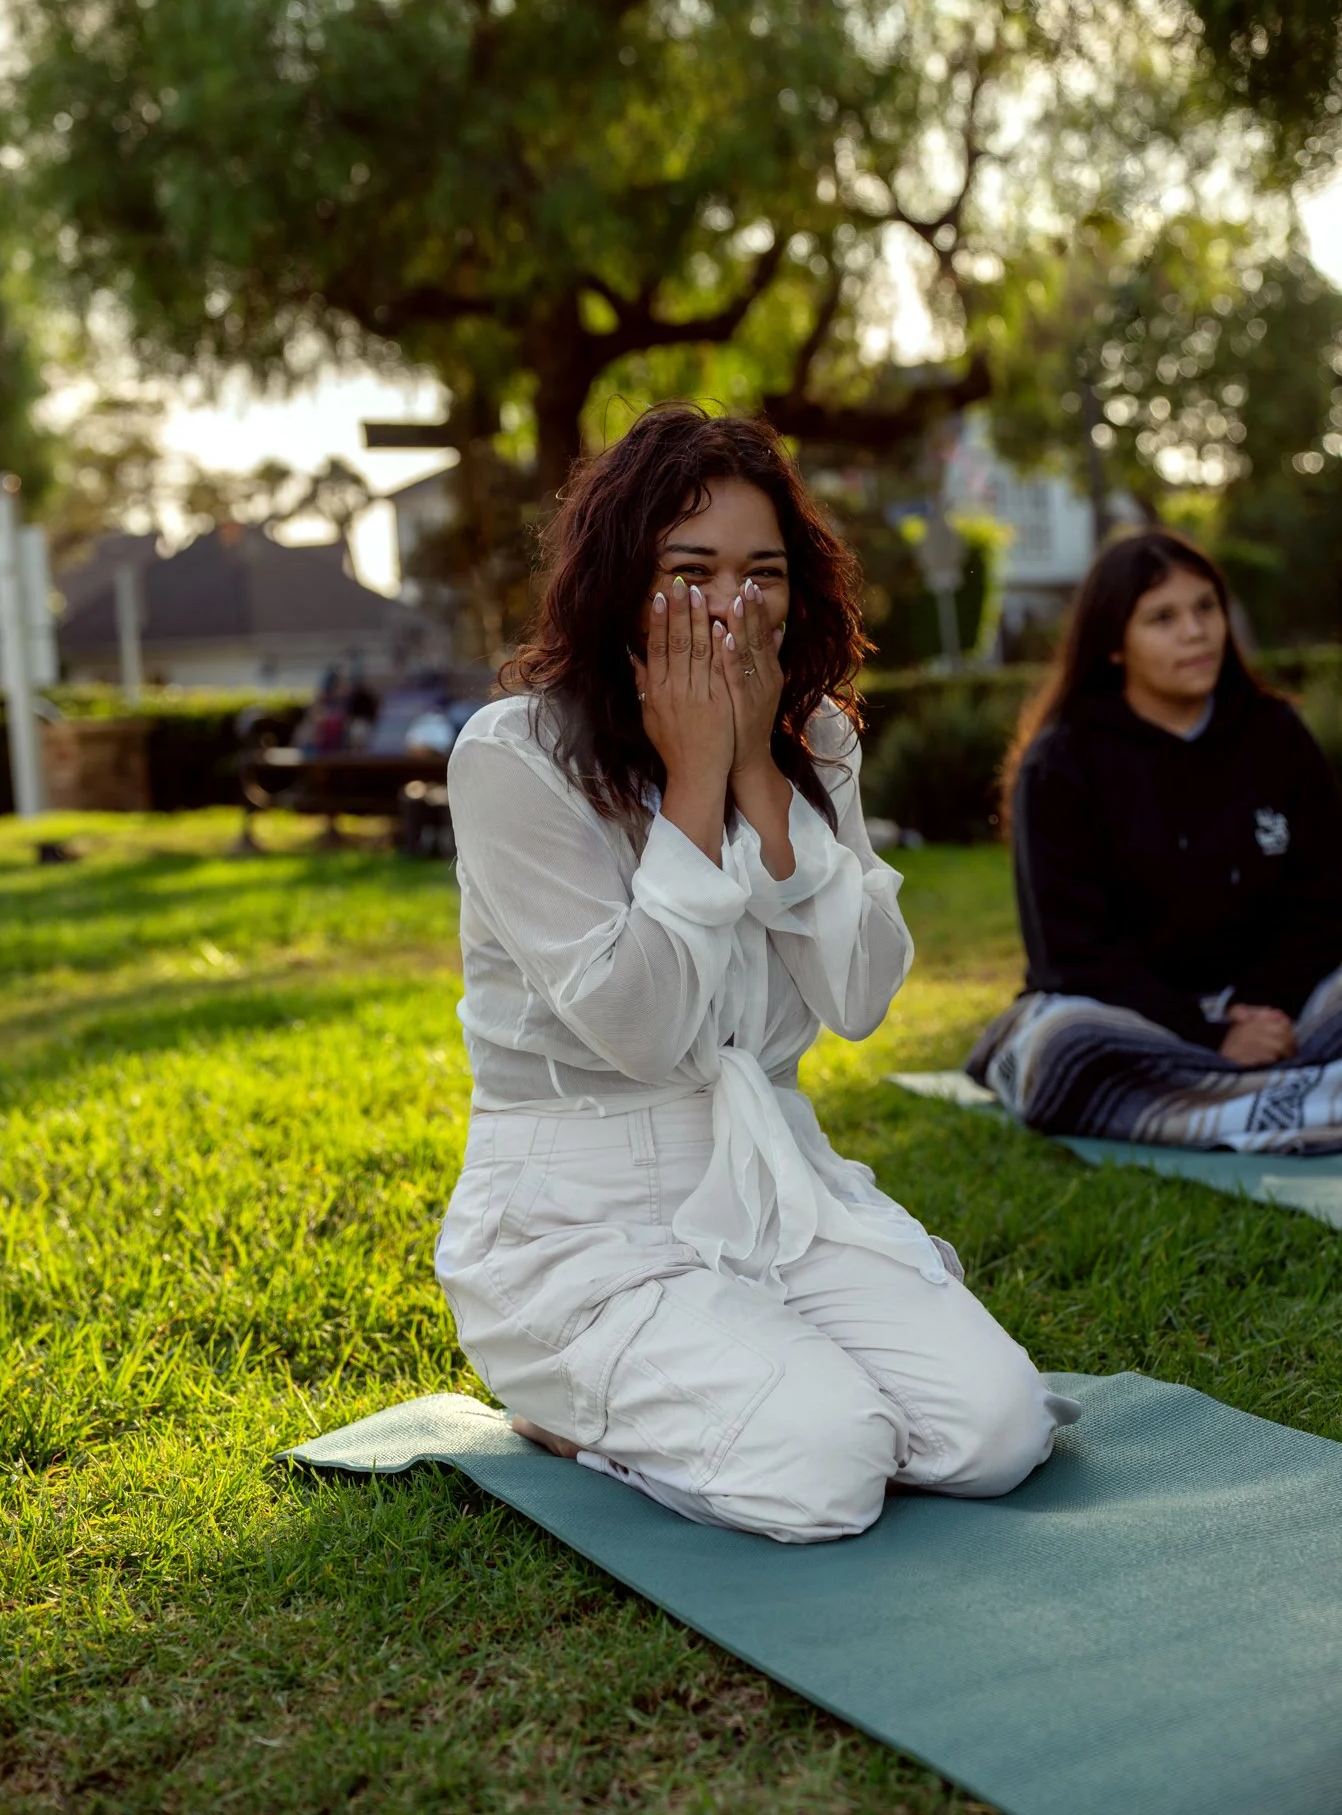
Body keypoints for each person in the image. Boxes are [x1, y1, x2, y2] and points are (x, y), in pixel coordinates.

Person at [435, 405, 1078, 1545]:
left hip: (774, 1184)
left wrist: (758, 780)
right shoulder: (512, 755)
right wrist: (692, 784)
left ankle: (763, 1365)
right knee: (827, 1468)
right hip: (579, 1223)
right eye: (692, 571)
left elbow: (861, 993)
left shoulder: (815, 739)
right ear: (620, 580)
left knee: (997, 1432)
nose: (734, 605)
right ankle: (567, 1413)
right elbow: (642, 1029)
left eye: (762, 573)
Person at [968, 530, 1342, 1150]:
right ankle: (1294, 1098)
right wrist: (1211, 1035)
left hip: (1278, 1010)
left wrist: (1262, 1007)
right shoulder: (1062, 765)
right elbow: (1071, 955)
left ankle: (1225, 1104)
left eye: (1206, 608)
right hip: (1138, 1021)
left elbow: (1325, 898)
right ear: (1114, 645)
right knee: (1064, 1046)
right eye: (1162, 618)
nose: (1195, 632)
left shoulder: (1276, 735)